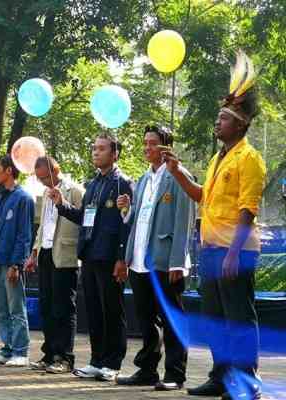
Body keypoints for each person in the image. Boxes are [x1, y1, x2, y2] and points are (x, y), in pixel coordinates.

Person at [163, 52, 265, 400]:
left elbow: (247, 210)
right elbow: (202, 196)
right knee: (217, 319)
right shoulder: (216, 158)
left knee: (238, 319)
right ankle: (220, 377)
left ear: (239, 124)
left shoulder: (250, 158)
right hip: (211, 250)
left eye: (223, 119)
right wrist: (177, 172)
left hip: (234, 251)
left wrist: (234, 253)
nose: (217, 123)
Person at [116, 126, 194, 390]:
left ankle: (174, 374)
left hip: (164, 259)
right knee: (146, 319)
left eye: (152, 144)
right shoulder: (143, 179)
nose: (147, 148)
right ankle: (146, 370)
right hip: (139, 259)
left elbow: (184, 222)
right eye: (145, 143)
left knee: (171, 318)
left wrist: (177, 261)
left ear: (166, 147)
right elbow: (137, 218)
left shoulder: (178, 177)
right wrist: (126, 211)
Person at [51, 134, 133, 382]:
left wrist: (122, 258)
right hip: (89, 254)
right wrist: (62, 205)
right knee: (95, 310)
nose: (96, 152)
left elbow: (125, 223)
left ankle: (113, 362)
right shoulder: (93, 184)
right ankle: (97, 359)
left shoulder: (122, 183)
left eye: (101, 149)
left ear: (115, 153)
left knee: (112, 310)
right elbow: (84, 218)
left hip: (109, 256)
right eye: (94, 148)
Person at [26, 156, 84, 374]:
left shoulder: (74, 190)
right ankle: (49, 352)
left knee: (64, 307)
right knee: (47, 305)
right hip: (46, 252)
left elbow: (82, 220)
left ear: (54, 170)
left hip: (65, 253)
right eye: (39, 179)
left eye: (44, 177)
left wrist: (63, 202)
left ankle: (65, 356)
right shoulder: (44, 192)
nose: (42, 182)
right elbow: (42, 225)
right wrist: (34, 252)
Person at [0, 155, 35, 367]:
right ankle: (6, 348)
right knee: (1, 309)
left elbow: (24, 235)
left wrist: (17, 264)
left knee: (16, 308)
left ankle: (21, 351)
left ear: (9, 171)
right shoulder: (1, 198)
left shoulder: (23, 198)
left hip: (11, 262)